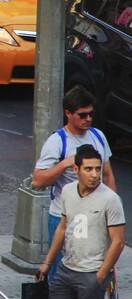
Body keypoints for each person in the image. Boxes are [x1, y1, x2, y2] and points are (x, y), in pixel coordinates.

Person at [39, 144, 126, 299]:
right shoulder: (67, 191)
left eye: (98, 169)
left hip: (92, 273)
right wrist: (47, 261)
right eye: (88, 169)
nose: (94, 174)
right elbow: (62, 227)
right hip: (66, 268)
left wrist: (100, 275)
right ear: (76, 169)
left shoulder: (110, 199)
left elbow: (118, 241)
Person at [33, 85, 117, 284]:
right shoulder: (57, 142)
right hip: (64, 218)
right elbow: (38, 180)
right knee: (62, 275)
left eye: (90, 114)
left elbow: (108, 174)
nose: (88, 119)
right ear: (68, 113)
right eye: (82, 115)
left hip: (95, 217)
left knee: (89, 273)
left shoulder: (98, 136)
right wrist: (63, 164)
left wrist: (113, 208)